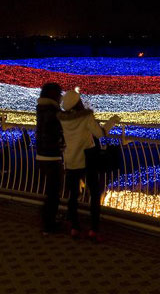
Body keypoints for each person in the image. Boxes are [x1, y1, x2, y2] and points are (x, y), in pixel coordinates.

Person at [58, 89, 120, 241]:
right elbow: (100, 133)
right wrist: (112, 121)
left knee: (73, 195)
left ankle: (74, 228)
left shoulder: (62, 119)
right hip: (88, 159)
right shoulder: (86, 117)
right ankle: (93, 229)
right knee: (94, 193)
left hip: (71, 159)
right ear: (79, 102)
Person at [35, 82, 64, 235]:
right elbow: (59, 128)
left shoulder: (41, 108)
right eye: (59, 94)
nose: (61, 98)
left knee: (51, 191)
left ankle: (48, 218)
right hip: (51, 156)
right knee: (54, 192)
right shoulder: (53, 111)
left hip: (41, 155)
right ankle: (49, 224)